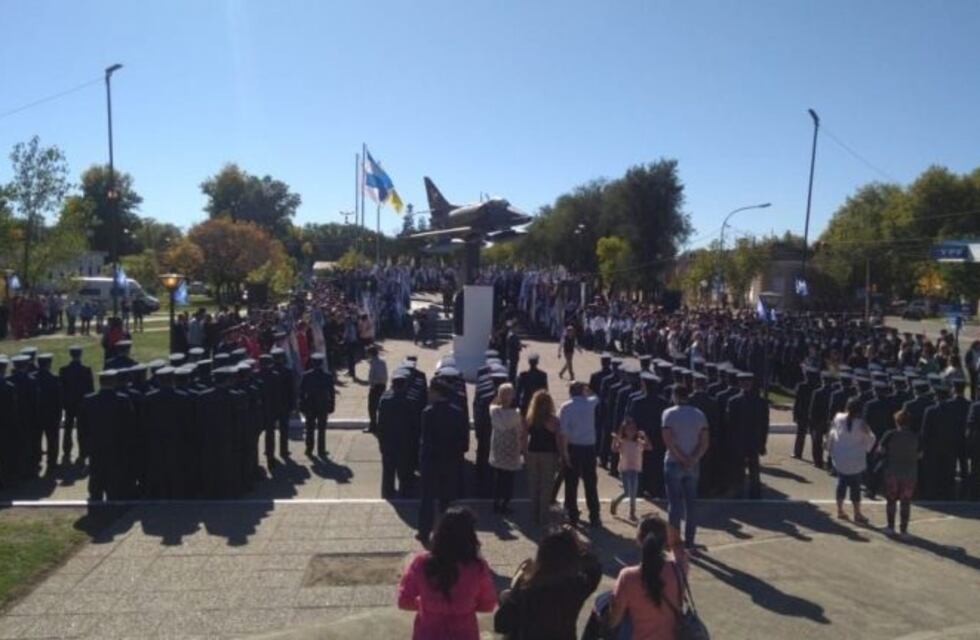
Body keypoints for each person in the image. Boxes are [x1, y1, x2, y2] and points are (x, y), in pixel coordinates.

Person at [398, 507, 497, 640]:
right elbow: (488, 605)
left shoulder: (421, 563)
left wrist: (426, 604)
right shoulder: (478, 568)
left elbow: (404, 601)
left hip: (427, 634)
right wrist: (465, 605)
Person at [494, 527, 601, 640]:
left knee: (503, 595)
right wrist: (580, 547)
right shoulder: (576, 586)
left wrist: (515, 586)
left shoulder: (527, 590)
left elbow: (501, 625)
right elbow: (595, 569)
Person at [608, 514, 686, 638]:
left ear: (639, 540)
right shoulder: (678, 570)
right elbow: (677, 544)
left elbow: (613, 621)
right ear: (665, 541)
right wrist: (665, 526)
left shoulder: (627, 577)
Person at [417, 379, 469, 544]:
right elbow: (463, 439)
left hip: (431, 462)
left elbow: (426, 440)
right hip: (450, 462)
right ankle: (446, 534)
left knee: (427, 499)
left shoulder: (428, 412)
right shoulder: (457, 412)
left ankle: (424, 532)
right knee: (447, 501)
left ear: (436, 392)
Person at [661, 384, 709, 550]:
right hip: (693, 465)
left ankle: (673, 541)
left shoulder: (668, 414)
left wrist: (681, 458)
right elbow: (704, 442)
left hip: (674, 462)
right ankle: (690, 541)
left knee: (674, 505)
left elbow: (668, 440)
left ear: (675, 395)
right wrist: (693, 459)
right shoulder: (699, 415)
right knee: (691, 504)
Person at [558, 381, 601, 527]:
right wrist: (588, 390)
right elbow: (596, 396)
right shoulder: (590, 403)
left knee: (571, 483)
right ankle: (594, 515)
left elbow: (563, 432)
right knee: (590, 483)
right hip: (589, 448)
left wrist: (564, 453)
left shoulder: (566, 407)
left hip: (573, 447)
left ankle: (573, 515)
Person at [828, 397, 876, 523]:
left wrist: (830, 450)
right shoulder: (861, 424)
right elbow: (871, 440)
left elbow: (832, 434)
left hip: (840, 458)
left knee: (841, 484)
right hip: (855, 461)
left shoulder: (838, 417)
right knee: (855, 487)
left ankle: (840, 510)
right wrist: (865, 448)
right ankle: (857, 513)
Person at [879, 409, 920, 538]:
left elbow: (880, 450)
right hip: (909, 473)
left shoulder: (889, 434)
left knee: (891, 500)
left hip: (892, 471)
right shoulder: (915, 436)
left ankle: (890, 526)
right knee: (905, 502)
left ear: (896, 421)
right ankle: (904, 530)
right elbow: (920, 454)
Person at [523, 390, 560, 525]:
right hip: (549, 454)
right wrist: (561, 454)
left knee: (534, 485)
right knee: (546, 486)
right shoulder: (553, 420)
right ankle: (543, 516)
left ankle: (534, 515)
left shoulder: (530, 418)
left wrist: (525, 452)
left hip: (533, 452)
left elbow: (524, 437)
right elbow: (558, 439)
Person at [489, 383, 524, 515]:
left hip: (498, 446)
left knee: (498, 477)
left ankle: (496, 502)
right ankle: (505, 503)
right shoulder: (516, 414)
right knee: (509, 478)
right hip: (512, 448)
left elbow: (492, 403)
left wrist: (499, 397)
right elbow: (520, 430)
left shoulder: (494, 411)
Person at [611, 416, 652, 521]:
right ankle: (616, 501)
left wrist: (645, 436)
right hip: (625, 469)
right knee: (627, 492)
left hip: (635, 469)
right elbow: (614, 449)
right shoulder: (623, 441)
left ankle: (632, 512)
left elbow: (649, 447)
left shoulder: (638, 441)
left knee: (633, 492)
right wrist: (615, 439)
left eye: (633, 429)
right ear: (624, 430)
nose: (631, 431)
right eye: (628, 429)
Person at [365, 345, 388, 434]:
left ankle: (373, 426)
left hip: (375, 387)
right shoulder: (382, 362)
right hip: (382, 386)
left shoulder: (373, 363)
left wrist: (371, 383)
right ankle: (381, 425)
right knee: (380, 407)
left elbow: (373, 377)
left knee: (372, 408)